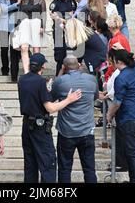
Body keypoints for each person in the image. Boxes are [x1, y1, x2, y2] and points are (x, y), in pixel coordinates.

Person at [18, 53, 82, 183]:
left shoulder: (22, 80)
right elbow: (50, 108)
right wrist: (69, 100)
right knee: (48, 162)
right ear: (43, 67)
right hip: (39, 128)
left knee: (30, 164)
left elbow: (38, 95)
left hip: (27, 126)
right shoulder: (40, 82)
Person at [51, 56, 101, 183]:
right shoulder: (91, 79)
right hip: (86, 130)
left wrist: (61, 72)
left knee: (64, 168)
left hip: (66, 131)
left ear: (64, 67)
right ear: (79, 65)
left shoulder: (60, 81)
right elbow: (95, 97)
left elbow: (51, 97)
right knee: (89, 169)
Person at [106, 49, 135, 183]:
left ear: (119, 62)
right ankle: (134, 179)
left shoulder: (121, 78)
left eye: (113, 62)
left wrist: (109, 114)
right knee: (132, 150)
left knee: (132, 152)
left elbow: (117, 102)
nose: (112, 64)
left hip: (130, 118)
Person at [16, 0, 47, 73]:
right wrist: (18, 28)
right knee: (24, 48)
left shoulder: (41, 1)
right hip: (24, 24)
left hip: (36, 24)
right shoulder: (23, 1)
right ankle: (26, 72)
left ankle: (37, 72)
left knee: (36, 50)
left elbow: (44, 15)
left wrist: (42, 27)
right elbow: (20, 14)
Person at [0, 0, 23, 82]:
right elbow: (4, 10)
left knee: (14, 50)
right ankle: (5, 69)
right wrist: (16, 4)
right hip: (3, 25)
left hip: (15, 25)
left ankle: (14, 71)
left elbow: (23, 8)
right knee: (4, 49)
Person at [49, 0, 77, 75]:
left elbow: (74, 13)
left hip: (70, 29)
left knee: (71, 52)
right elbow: (54, 17)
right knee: (60, 54)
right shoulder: (55, 3)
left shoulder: (72, 2)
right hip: (59, 31)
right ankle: (59, 75)